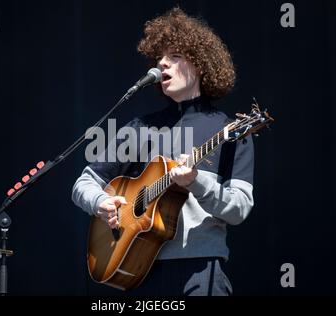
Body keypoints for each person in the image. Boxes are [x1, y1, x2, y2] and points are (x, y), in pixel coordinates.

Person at [72, 7, 254, 296]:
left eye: (175, 56)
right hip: (138, 270)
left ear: (200, 64)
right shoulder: (138, 128)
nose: (162, 65)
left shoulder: (229, 129)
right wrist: (99, 203)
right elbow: (84, 182)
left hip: (201, 272)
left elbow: (240, 208)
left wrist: (196, 182)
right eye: (159, 58)